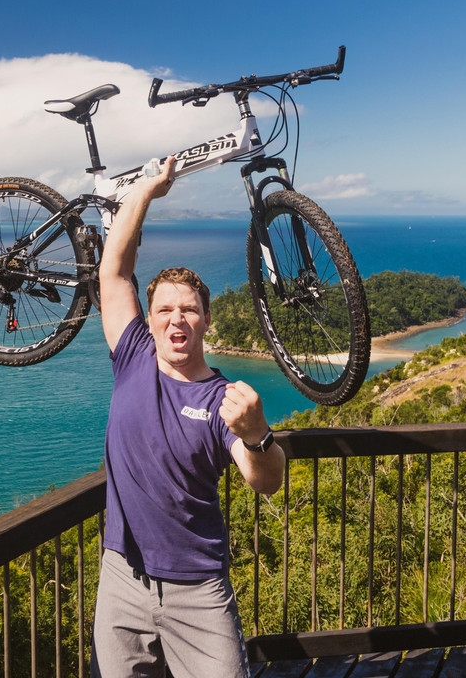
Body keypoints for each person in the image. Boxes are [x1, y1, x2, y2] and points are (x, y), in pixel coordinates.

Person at [90, 156, 286, 678]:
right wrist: (145, 191)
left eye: (190, 309)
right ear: (150, 320)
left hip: (197, 588)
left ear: (205, 321)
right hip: (121, 577)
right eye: (164, 310)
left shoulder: (224, 399)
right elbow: (114, 271)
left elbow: (266, 481)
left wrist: (258, 434)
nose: (176, 318)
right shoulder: (132, 355)